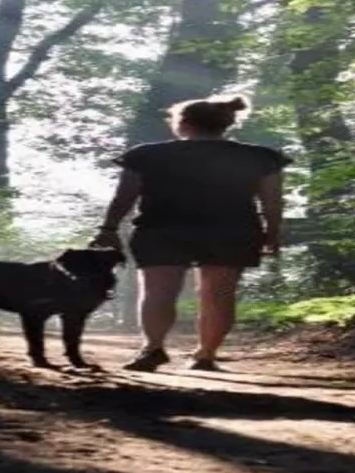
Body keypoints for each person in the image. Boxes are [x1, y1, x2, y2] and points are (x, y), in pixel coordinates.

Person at [91, 94, 288, 372]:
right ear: (228, 123)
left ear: (182, 123)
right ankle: (205, 355)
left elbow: (124, 196)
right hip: (232, 230)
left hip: (161, 228)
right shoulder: (261, 157)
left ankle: (153, 349)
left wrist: (108, 228)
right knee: (219, 294)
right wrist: (273, 233)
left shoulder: (146, 154)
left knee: (158, 290)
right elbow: (272, 201)